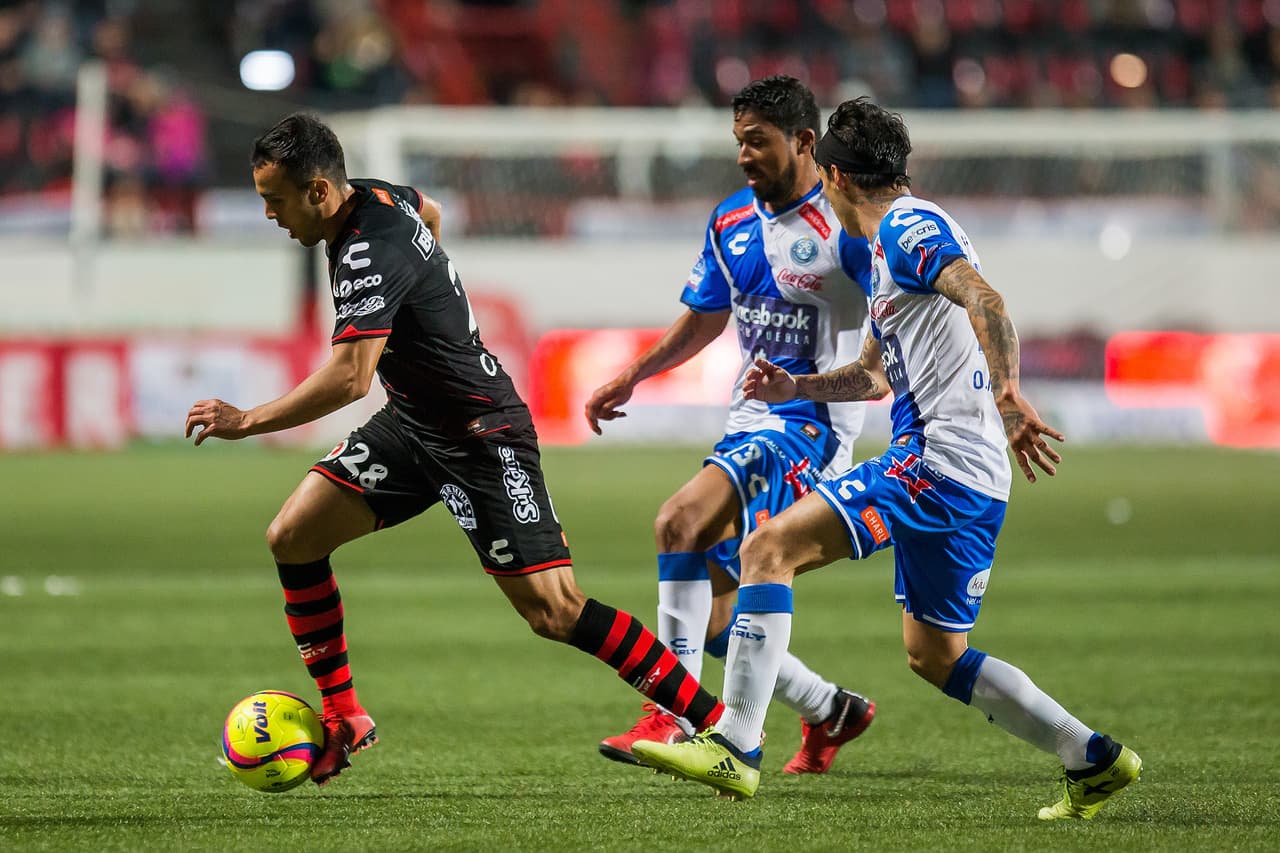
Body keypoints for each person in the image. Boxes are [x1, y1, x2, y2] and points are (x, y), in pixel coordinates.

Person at [633, 98, 1143, 821]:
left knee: (766, 547)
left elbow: (986, 299)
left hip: (934, 461)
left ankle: (735, 744)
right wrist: (798, 386)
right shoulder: (888, 250)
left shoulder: (908, 228)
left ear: (833, 175)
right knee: (934, 655)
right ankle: (1092, 758)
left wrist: (1007, 392)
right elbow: (874, 374)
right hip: (967, 478)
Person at [184, 113, 727, 786]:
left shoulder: (364, 249)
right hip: (415, 424)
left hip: (481, 433)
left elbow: (352, 377)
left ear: (319, 191)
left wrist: (247, 421)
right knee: (293, 535)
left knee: (555, 609)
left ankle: (714, 723)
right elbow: (430, 211)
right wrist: (433, 302)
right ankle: (344, 711)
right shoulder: (379, 196)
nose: (269, 214)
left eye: (276, 200)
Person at [585, 75, 876, 774]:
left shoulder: (845, 228)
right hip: (748, 425)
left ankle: (674, 715)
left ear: (804, 141)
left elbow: (896, 322)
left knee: (677, 521)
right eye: (738, 140)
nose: (744, 155)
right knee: (715, 625)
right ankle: (834, 708)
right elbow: (707, 314)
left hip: (812, 426)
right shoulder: (730, 221)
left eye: (758, 141)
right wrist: (635, 373)